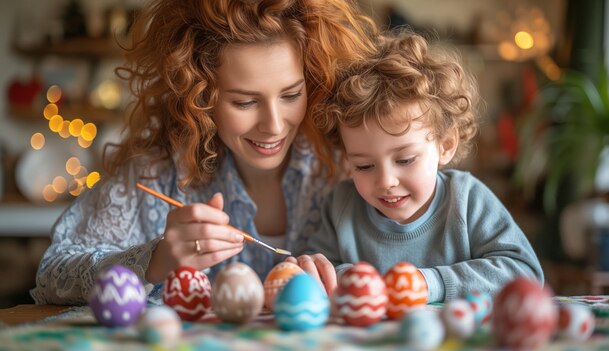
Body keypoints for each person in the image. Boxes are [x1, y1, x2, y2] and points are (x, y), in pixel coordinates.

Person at [31, 0, 377, 305]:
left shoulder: (353, 161)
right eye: (245, 102)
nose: (273, 125)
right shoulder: (155, 172)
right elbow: (52, 274)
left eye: (290, 95)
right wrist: (158, 259)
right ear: (200, 97)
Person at [296, 31, 544, 302]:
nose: (386, 180)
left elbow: (526, 275)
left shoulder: (467, 200)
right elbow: (318, 273)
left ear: (445, 145)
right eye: (364, 166)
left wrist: (431, 284)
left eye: (405, 160)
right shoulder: (342, 205)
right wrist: (348, 279)